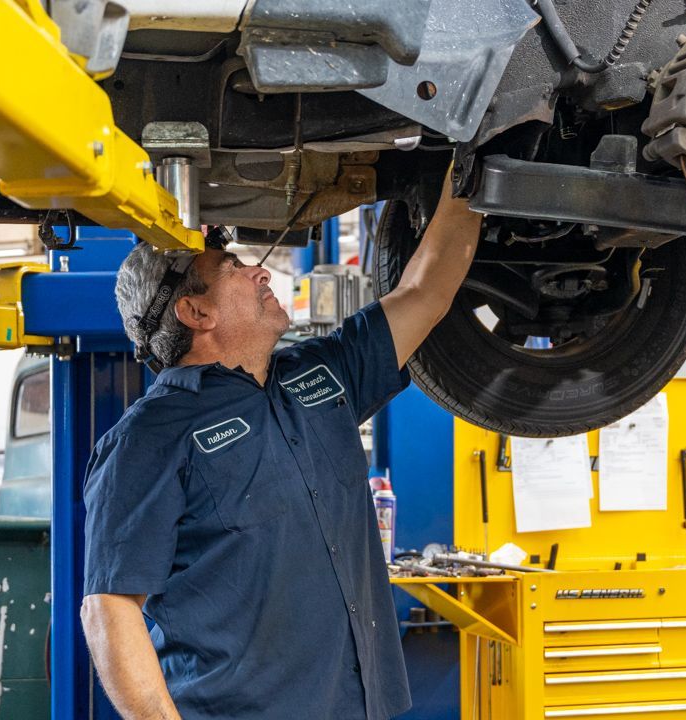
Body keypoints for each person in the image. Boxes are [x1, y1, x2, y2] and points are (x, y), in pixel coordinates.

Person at [81, 173, 482, 720]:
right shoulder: (146, 440)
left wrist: (473, 168)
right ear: (196, 313)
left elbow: (427, 292)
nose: (261, 271)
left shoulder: (320, 372)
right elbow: (109, 607)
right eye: (234, 270)